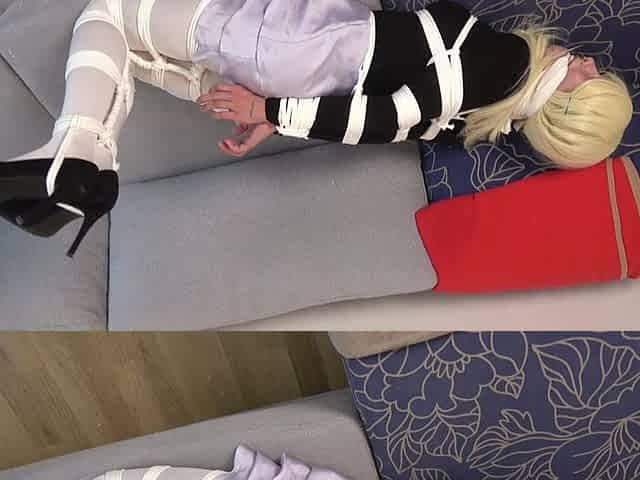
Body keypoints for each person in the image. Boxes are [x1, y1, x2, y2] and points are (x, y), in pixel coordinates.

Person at [0, 0, 633, 257]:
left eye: (589, 79)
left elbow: (383, 117)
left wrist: (270, 113)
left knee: (109, 12)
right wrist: (274, 115)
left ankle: (79, 149)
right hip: (300, 68)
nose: (587, 63)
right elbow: (379, 117)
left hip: (298, 45)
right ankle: (84, 167)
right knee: (136, 56)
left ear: (566, 106)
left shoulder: (506, 63)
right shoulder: (480, 121)